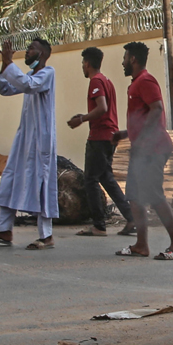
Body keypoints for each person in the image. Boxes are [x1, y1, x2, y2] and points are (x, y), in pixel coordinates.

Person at [113, 41, 173, 260]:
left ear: (133, 59)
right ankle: (141, 245)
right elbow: (144, 117)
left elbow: (157, 109)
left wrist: (143, 138)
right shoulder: (136, 83)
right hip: (142, 149)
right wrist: (125, 134)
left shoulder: (146, 80)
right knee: (134, 196)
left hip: (153, 149)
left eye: (125, 57)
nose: (123, 62)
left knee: (154, 195)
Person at [0, 38, 59, 250]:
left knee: (41, 183)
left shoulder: (47, 73)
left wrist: (9, 63)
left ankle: (47, 236)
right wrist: (4, 63)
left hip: (41, 140)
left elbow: (29, 86)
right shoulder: (28, 74)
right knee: (11, 177)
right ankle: (5, 230)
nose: (27, 52)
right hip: (24, 138)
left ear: (42, 54)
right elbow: (6, 89)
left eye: (31, 49)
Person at [67, 47, 135, 237]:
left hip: (99, 137)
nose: (82, 66)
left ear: (87, 64)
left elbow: (102, 107)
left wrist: (81, 119)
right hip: (109, 137)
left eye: (83, 63)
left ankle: (99, 225)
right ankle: (131, 218)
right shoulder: (107, 81)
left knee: (90, 179)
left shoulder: (96, 81)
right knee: (106, 178)